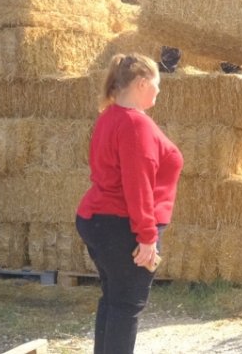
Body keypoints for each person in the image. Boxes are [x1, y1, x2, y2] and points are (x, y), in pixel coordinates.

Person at [76, 53, 184, 353]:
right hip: (123, 224)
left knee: (114, 300)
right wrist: (147, 238)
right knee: (126, 305)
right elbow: (139, 186)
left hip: (98, 218)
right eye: (156, 84)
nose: (159, 91)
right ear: (140, 83)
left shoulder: (110, 116)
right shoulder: (136, 125)